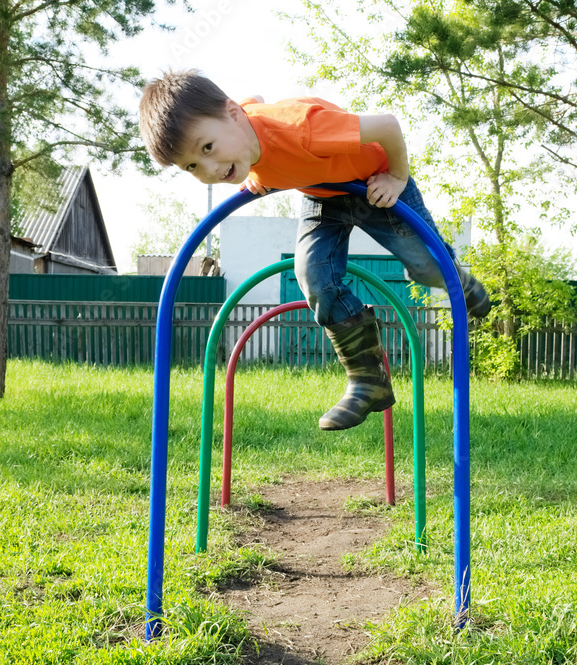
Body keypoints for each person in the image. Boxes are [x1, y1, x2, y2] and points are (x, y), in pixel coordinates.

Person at [139, 70, 491, 431]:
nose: (210, 169)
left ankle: (460, 282)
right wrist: (253, 168)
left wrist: (397, 177)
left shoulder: (304, 128)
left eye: (207, 148)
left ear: (232, 114)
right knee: (313, 277)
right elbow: (253, 101)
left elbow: (387, 125)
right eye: (192, 166)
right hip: (321, 193)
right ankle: (367, 380)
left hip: (375, 183)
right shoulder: (237, 131)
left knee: (427, 265)